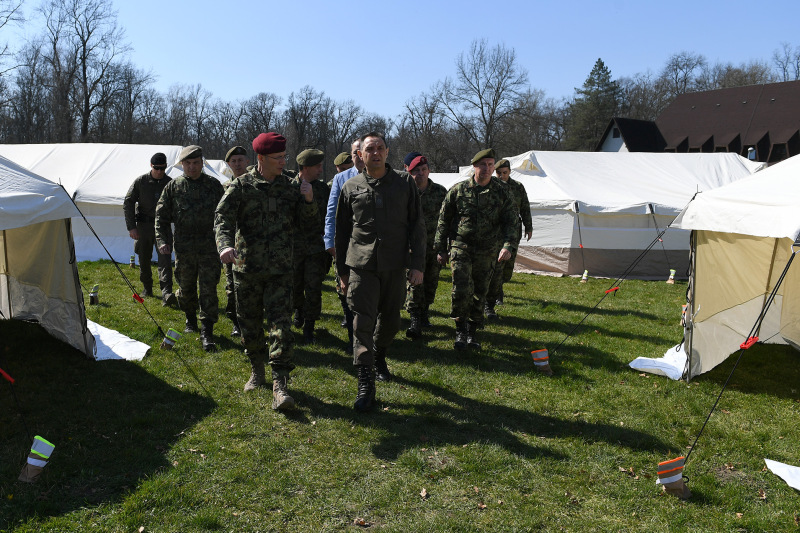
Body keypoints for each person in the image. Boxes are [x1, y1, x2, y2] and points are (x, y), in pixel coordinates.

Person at [215, 132, 317, 411]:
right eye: (278, 158)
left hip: (281, 270)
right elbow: (222, 217)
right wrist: (224, 246)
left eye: (285, 156)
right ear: (261, 159)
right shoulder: (242, 186)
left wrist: (308, 201)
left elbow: (307, 224)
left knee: (281, 326)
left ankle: (280, 383)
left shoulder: (291, 186)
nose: (284, 162)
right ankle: (257, 369)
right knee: (248, 323)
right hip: (247, 269)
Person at [335, 132, 426, 412]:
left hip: (395, 264)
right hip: (361, 265)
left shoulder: (404, 183)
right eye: (368, 149)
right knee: (362, 322)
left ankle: (379, 354)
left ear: (387, 152)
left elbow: (417, 225)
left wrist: (418, 265)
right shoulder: (350, 187)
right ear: (359, 155)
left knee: (391, 321)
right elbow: (341, 232)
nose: (374, 153)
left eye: (379, 148)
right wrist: (342, 272)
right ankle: (365, 382)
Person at [434, 148, 518, 350]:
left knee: (481, 291)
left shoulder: (503, 191)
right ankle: (460, 330)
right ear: (474, 166)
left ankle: (472, 332)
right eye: (483, 164)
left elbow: (511, 222)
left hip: (489, 250)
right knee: (461, 290)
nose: (487, 169)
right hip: (461, 247)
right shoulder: (458, 190)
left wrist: (508, 245)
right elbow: (444, 220)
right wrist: (440, 248)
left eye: (491, 165)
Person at [155, 145, 224, 352]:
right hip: (184, 248)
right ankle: (190, 319)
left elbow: (224, 216)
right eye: (188, 164)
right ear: (182, 165)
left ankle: (207, 330)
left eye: (196, 163)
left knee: (208, 289)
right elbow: (161, 216)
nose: (192, 167)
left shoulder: (214, 186)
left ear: (202, 163)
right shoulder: (173, 187)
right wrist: (162, 240)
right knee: (185, 288)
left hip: (209, 248)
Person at [324, 138, 365, 351]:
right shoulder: (341, 179)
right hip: (346, 245)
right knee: (346, 290)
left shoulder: (382, 176)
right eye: (355, 152)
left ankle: (370, 338)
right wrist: (330, 241)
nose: (359, 155)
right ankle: (353, 338)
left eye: (362, 151)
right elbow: (332, 212)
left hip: (371, 247)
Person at [123, 152, 176, 307]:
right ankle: (147, 287)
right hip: (144, 226)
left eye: (163, 168)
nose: (160, 171)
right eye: (157, 168)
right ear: (151, 166)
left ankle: (166, 292)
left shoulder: (170, 183)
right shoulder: (141, 181)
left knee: (165, 259)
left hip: (163, 226)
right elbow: (128, 202)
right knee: (144, 258)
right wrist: (131, 227)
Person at [403, 153, 447, 339]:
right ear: (408, 171)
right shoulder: (403, 191)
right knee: (414, 283)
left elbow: (447, 221)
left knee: (431, 282)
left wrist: (444, 248)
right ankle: (414, 319)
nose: (420, 174)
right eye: (415, 171)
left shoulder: (440, 192)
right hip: (412, 248)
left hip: (433, 247)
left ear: (429, 170)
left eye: (423, 170)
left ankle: (425, 311)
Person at [290, 149, 330, 343]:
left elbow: (326, 219)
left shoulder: (323, 190)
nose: (321, 170)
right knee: (295, 286)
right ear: (305, 167)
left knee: (313, 288)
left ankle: (309, 327)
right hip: (293, 249)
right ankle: (298, 311)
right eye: (317, 166)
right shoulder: (289, 188)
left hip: (315, 248)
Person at [485, 158, 532, 319]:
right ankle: (495, 294)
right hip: (495, 231)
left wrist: (529, 226)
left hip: (513, 231)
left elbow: (525, 207)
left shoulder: (517, 187)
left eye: (504, 173)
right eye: (499, 173)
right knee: (496, 263)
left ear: (510, 172)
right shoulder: (491, 186)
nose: (502, 176)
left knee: (508, 265)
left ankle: (499, 286)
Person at [222, 146, 250, 337]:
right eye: (234, 161)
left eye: (241, 160)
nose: (238, 164)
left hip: (252, 245)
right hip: (232, 246)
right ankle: (236, 322)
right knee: (232, 286)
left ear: (247, 162)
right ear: (229, 165)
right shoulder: (224, 188)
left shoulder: (255, 184)